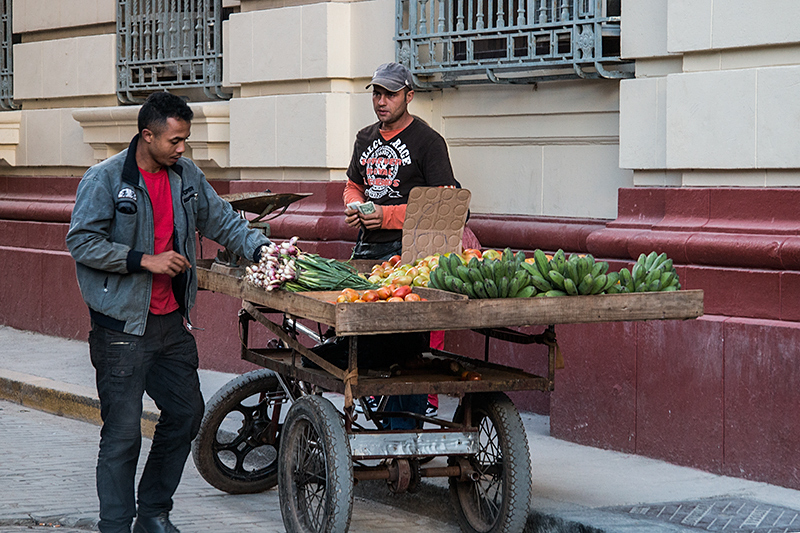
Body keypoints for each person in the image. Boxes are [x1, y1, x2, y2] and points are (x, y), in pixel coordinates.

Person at [66, 92, 270, 533]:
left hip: (170, 325)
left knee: (186, 414)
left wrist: (265, 251)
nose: (182, 148)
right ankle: (116, 525)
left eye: (186, 140)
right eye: (175, 140)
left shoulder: (186, 176)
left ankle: (154, 513)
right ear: (147, 135)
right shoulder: (104, 179)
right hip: (120, 330)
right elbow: (81, 242)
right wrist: (145, 259)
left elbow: (222, 220)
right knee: (121, 434)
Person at [343, 62, 460, 428]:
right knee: (363, 341)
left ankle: (404, 428)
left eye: (390, 94)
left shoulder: (428, 142)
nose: (381, 101)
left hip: (408, 253)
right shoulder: (364, 138)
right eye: (377, 93)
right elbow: (354, 184)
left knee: (406, 344)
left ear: (409, 96)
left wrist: (387, 216)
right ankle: (379, 408)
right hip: (367, 252)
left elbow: (443, 203)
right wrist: (352, 204)